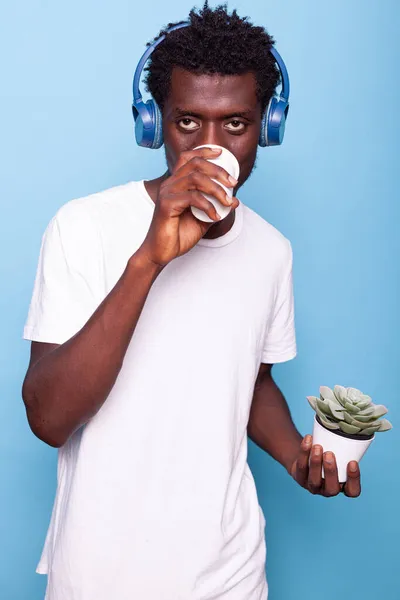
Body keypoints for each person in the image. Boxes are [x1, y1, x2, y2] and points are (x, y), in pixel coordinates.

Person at [21, 3, 361, 599]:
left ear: (268, 125)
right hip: (102, 574)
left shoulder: (271, 251)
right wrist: (149, 259)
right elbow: (49, 419)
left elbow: (250, 381)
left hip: (229, 573)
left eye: (235, 124)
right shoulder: (84, 227)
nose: (210, 147)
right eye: (186, 122)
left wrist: (296, 458)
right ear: (155, 124)